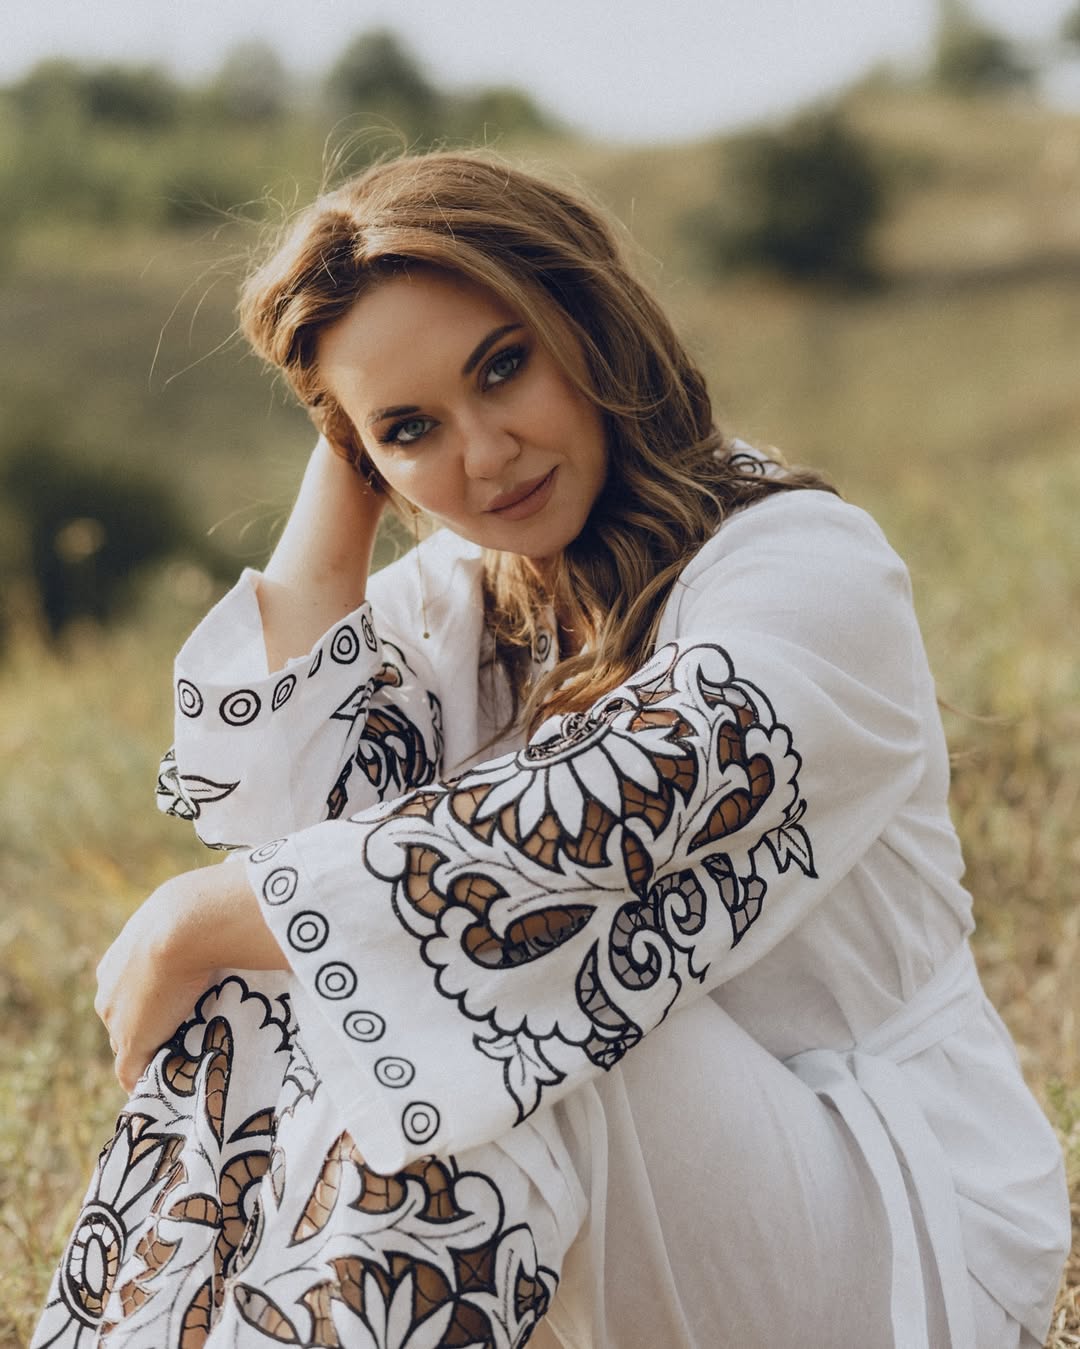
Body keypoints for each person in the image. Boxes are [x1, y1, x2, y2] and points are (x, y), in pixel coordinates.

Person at [34, 151, 1069, 1349]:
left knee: (467, 988)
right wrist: (349, 464)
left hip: (905, 1225)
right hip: (681, 1207)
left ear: (590, 325)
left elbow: (587, 822)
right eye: (413, 428)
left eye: (502, 366)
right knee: (311, 953)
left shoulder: (804, 565)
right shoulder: (467, 600)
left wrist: (206, 913)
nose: (485, 455)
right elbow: (277, 808)